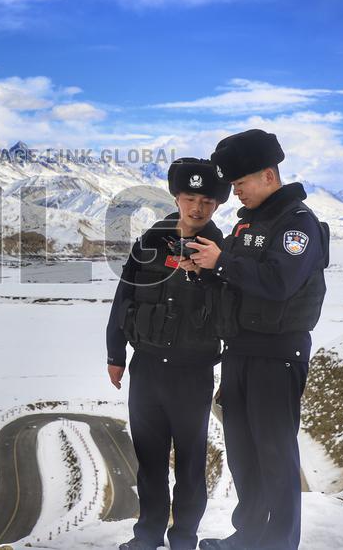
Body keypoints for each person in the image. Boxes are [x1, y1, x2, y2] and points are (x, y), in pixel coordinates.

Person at [185, 129, 329, 550]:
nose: (236, 192)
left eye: (240, 184)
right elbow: (236, 280)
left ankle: (279, 542)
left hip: (277, 355)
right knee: (244, 455)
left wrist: (222, 260)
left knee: (275, 455)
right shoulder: (248, 224)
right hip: (242, 352)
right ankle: (248, 535)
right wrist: (207, 270)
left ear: (268, 175)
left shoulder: (297, 224)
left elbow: (280, 281)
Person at [106, 158, 231, 550]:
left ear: (216, 206)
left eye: (207, 202)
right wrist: (115, 353)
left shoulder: (222, 250)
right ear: (177, 198)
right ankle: (146, 537)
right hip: (146, 370)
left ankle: (183, 540)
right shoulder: (148, 242)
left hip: (192, 374)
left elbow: (231, 312)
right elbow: (124, 295)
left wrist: (210, 273)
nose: (197, 208)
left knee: (191, 466)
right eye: (190, 198)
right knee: (150, 463)